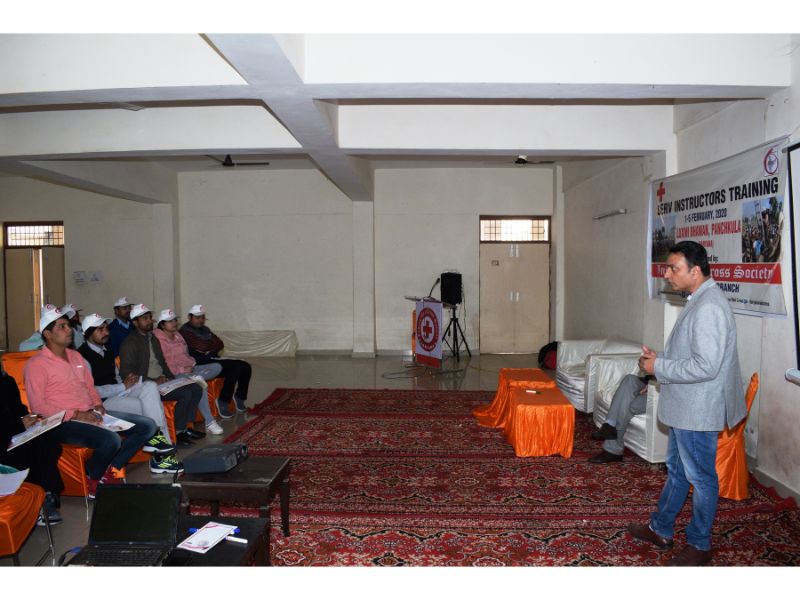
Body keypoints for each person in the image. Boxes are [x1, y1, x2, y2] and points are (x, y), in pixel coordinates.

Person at [628, 241, 746, 566]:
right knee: (678, 472)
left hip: (697, 410)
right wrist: (661, 359)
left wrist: (659, 367)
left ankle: (700, 544)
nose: (667, 274)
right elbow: (692, 355)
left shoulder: (709, 307)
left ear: (695, 271)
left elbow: (706, 366)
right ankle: (661, 528)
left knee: (702, 478)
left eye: (674, 268)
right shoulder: (699, 299)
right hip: (686, 407)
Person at [24, 306, 158, 499]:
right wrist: (77, 415)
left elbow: (89, 387)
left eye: (68, 325)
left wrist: (98, 405)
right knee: (111, 439)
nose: (69, 330)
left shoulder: (76, 356)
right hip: (61, 421)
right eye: (62, 327)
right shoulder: (36, 364)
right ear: (48, 334)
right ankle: (92, 476)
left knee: (147, 426)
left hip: (90, 412)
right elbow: (39, 407)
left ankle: (110, 468)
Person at [77, 313, 185, 474]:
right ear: (88, 333)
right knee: (150, 407)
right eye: (100, 329)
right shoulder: (81, 357)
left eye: (106, 328)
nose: (106, 332)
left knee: (150, 387)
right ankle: (162, 456)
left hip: (117, 394)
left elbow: (116, 378)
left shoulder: (106, 351)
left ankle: (158, 445)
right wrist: (122, 387)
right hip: (101, 403)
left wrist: (131, 384)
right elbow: (91, 391)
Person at [119, 304, 204, 447]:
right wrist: (153, 380)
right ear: (135, 322)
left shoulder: (152, 338)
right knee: (186, 393)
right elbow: (127, 374)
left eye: (150, 317)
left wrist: (170, 377)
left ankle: (186, 427)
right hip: (146, 386)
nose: (149, 321)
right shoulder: (130, 343)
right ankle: (178, 432)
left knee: (196, 388)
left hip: (162, 380)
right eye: (145, 318)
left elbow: (162, 362)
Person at [0, 369, 64, 525]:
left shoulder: (7, 380)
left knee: (48, 442)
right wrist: (18, 425)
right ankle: (41, 500)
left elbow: (19, 409)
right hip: (5, 440)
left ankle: (47, 493)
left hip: (14, 434)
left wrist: (29, 419)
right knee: (27, 452)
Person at [152, 309, 225, 433]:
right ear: (162, 325)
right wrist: (182, 369)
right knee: (200, 385)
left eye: (175, 320)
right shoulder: (158, 339)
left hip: (190, 368)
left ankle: (195, 376)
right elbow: (164, 363)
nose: (174, 323)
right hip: (175, 373)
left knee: (217, 367)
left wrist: (191, 364)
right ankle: (210, 422)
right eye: (170, 321)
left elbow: (186, 354)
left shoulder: (178, 335)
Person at [180, 304, 251, 415]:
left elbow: (220, 343)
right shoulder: (185, 331)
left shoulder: (205, 329)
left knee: (246, 366)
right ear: (189, 317)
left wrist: (208, 348)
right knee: (234, 367)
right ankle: (223, 400)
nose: (201, 320)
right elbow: (202, 346)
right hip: (198, 362)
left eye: (202, 317)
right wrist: (210, 346)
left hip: (210, 358)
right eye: (197, 318)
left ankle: (240, 397)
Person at [588, 374, 652, 464]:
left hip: (664, 392)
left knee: (628, 405)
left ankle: (612, 449)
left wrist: (655, 385)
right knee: (630, 379)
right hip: (650, 383)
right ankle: (610, 425)